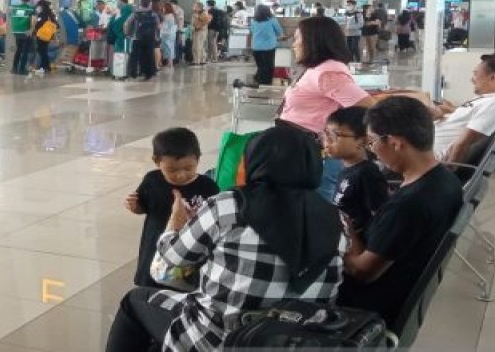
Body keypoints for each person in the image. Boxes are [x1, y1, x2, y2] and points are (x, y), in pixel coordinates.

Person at [104, 124, 347, 352]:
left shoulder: (230, 206)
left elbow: (166, 266)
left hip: (220, 340)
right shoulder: (337, 220)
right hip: (295, 341)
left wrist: (174, 224)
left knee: (134, 301)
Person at [339, 97, 463, 331]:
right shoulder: (446, 181)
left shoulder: (408, 205)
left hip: (368, 307)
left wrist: (346, 234)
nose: (372, 150)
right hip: (402, 286)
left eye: (373, 141)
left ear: (395, 143)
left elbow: (361, 272)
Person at [278, 16, 377, 199]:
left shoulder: (328, 72)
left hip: (317, 154)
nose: (294, 44)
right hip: (302, 150)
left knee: (320, 203)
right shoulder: (317, 68)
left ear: (314, 40)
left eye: (298, 38)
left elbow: (369, 108)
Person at [124, 128, 219, 288]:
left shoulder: (208, 187)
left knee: (184, 284)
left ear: (198, 159)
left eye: (188, 168)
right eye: (172, 170)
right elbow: (143, 207)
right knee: (153, 282)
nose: (181, 175)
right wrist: (134, 206)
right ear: (156, 161)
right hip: (155, 244)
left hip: (190, 247)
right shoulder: (152, 180)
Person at [428, 55, 495, 164]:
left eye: (475, 74)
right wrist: (446, 114)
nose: (472, 79)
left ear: (493, 77)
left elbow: (463, 143)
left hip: (427, 156)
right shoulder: (491, 99)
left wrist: (448, 172)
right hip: (424, 144)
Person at [324, 106, 389, 234]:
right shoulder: (346, 171)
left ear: (363, 140)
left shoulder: (367, 173)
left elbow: (382, 219)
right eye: (326, 134)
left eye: (334, 135)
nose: (327, 141)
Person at [124, 0, 160, 81]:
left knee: (135, 56)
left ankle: (133, 74)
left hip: (137, 38)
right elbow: (158, 26)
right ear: (149, 4)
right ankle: (148, 73)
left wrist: (128, 34)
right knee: (148, 56)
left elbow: (127, 24)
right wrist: (156, 36)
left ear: (140, 4)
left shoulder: (135, 14)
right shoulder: (153, 14)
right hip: (150, 39)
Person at [248, 4, 284, 85]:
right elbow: (280, 32)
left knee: (260, 66)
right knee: (269, 66)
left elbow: (252, 32)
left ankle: (258, 80)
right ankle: (266, 83)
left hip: (256, 47)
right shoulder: (272, 20)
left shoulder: (253, 21)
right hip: (269, 47)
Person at [9, 0, 35, 76]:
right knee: (25, 51)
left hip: (16, 31)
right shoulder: (30, 9)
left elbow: (11, 15)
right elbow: (34, 19)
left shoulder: (15, 8)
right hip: (25, 32)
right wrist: (31, 29)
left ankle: (14, 68)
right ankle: (22, 69)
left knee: (18, 49)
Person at [32, 0, 58, 75]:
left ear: (41, 6)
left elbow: (38, 25)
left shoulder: (42, 14)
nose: (37, 8)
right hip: (48, 35)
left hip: (41, 35)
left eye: (38, 6)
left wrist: (34, 28)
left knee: (41, 51)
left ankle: (44, 67)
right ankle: (46, 67)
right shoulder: (50, 14)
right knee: (44, 51)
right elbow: (56, 25)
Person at [159, 2, 178, 68]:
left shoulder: (167, 16)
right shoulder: (173, 15)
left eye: (163, 7)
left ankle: (169, 64)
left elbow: (164, 26)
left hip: (165, 34)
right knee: (170, 48)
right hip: (171, 34)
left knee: (166, 49)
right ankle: (170, 63)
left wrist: (159, 25)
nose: (162, 9)